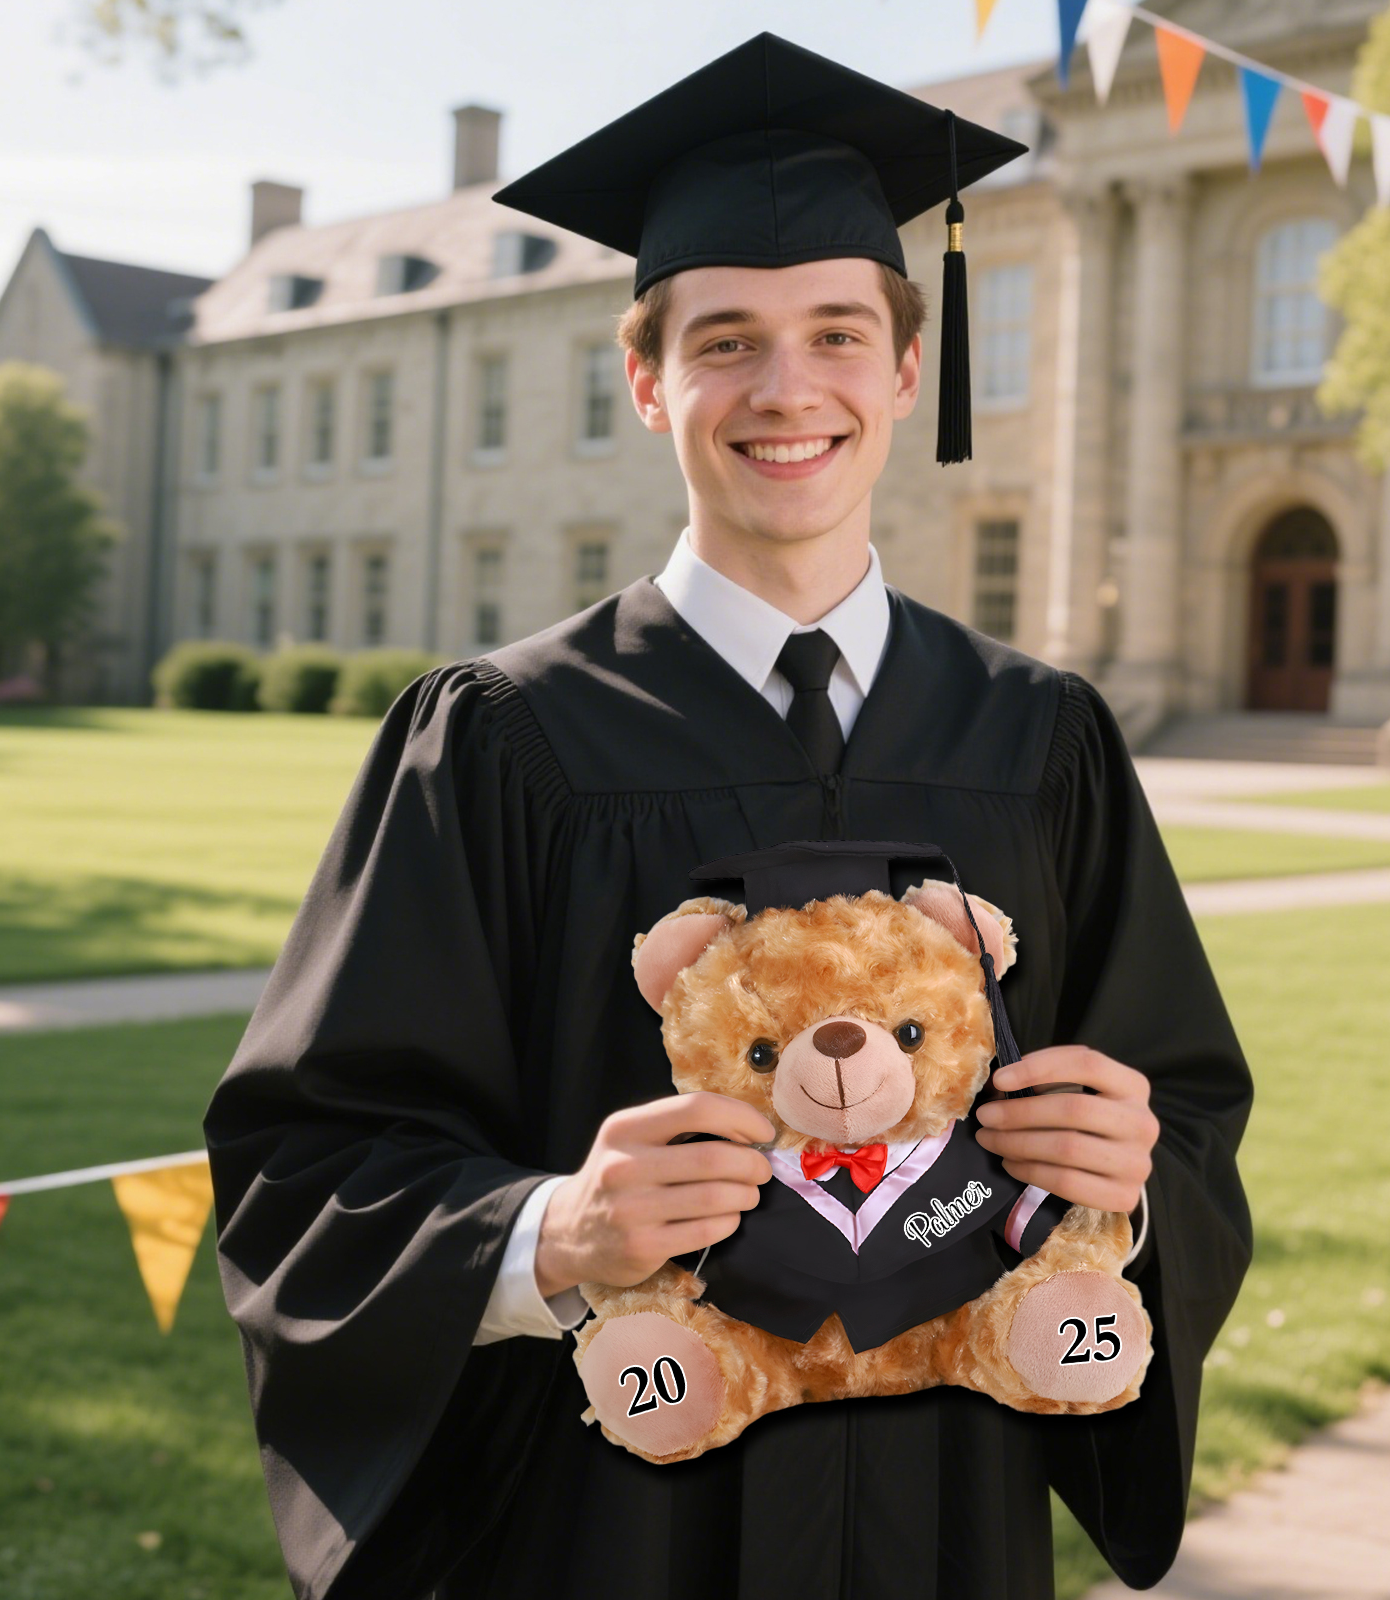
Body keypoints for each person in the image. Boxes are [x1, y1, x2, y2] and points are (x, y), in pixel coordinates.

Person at [203, 32, 1252, 1600]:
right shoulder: (499, 741)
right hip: (596, 1531)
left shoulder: (1040, 742)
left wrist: (1134, 1168)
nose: (786, 389)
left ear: (906, 368)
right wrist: (549, 1232)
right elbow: (308, 1166)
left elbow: (1186, 1116)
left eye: (837, 333)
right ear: (647, 379)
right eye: (725, 341)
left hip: (943, 1526)